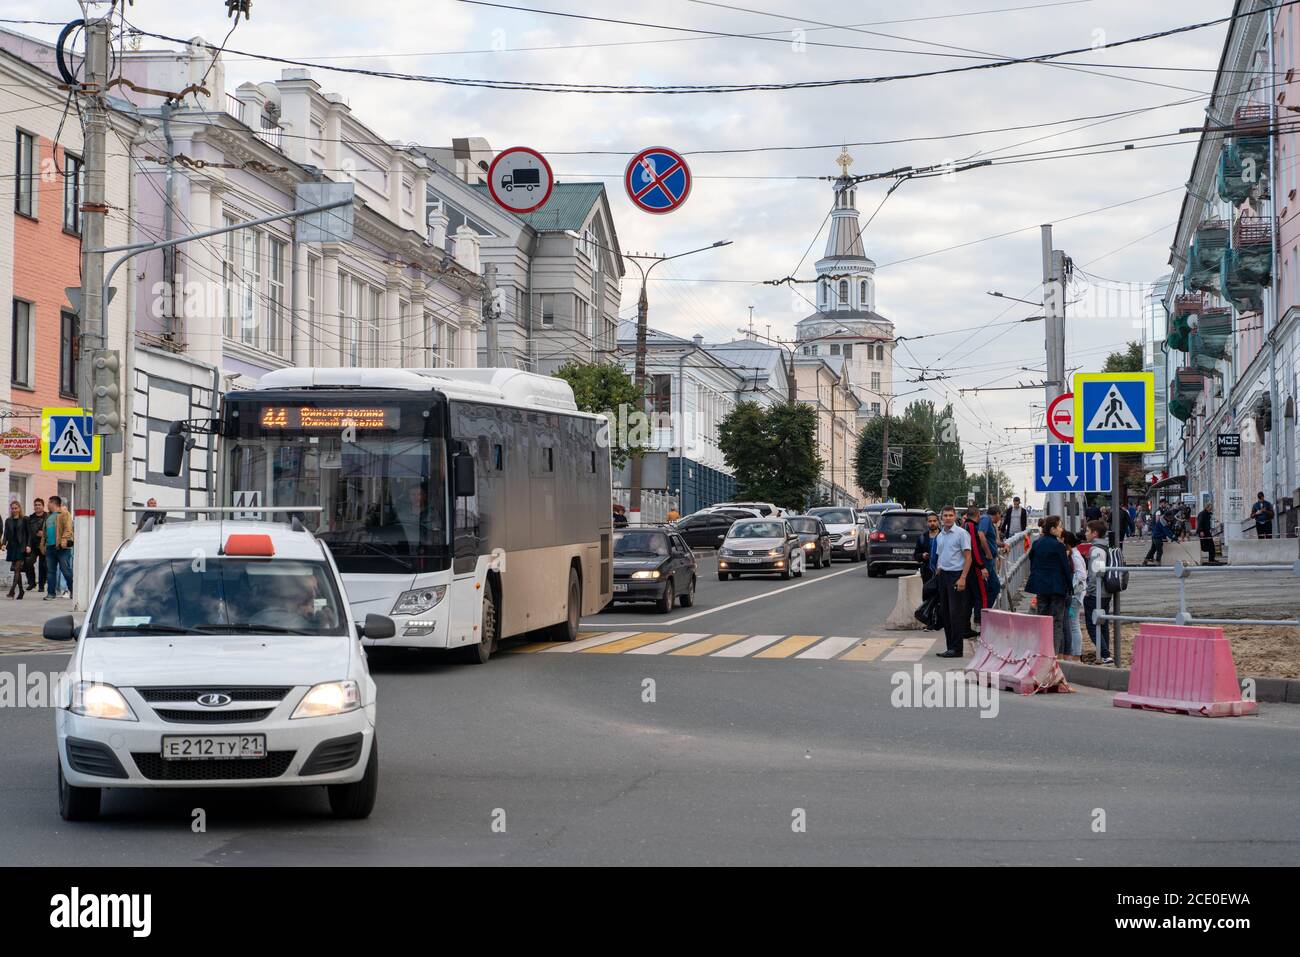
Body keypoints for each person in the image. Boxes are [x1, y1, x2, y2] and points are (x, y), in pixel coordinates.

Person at [1025, 515, 1073, 656]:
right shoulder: (1058, 546)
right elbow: (1065, 568)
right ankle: (1053, 653)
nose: (1061, 529)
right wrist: (1070, 587)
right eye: (1059, 526)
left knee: (1042, 618)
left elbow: (1031, 558)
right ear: (1052, 529)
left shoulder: (1037, 543)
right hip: (1057, 587)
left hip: (1040, 586)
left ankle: (1042, 651)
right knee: (1056, 622)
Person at [932, 505, 972, 659]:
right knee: (945, 613)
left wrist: (962, 578)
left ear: (955, 517)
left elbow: (968, 557)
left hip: (956, 575)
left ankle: (957, 649)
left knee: (956, 613)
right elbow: (940, 556)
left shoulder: (961, 534)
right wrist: (938, 569)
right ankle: (950, 647)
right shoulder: (940, 535)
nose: (947, 518)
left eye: (950, 515)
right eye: (945, 515)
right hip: (943, 576)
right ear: (941, 517)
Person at [1080, 519, 1113, 664]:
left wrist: (1089, 590)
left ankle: (1105, 654)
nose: (1085, 533)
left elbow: (1095, 573)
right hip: (1105, 592)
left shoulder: (1096, 550)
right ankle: (1105, 653)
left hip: (1097, 593)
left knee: (1093, 624)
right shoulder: (1105, 547)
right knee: (1102, 623)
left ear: (1094, 533)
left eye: (1087, 531)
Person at [962, 505, 991, 630]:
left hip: (965, 567)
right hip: (974, 567)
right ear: (978, 515)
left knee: (968, 598)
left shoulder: (963, 526)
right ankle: (981, 622)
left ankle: (966, 627)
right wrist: (982, 566)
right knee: (982, 595)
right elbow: (974, 548)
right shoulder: (972, 527)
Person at [1061, 530, 1087, 661]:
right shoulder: (1074, 554)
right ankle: (1075, 653)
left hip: (1076, 595)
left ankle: (1076, 654)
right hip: (1076, 594)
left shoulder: (1074, 556)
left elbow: (1082, 575)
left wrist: (1072, 588)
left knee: (1074, 624)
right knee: (1072, 624)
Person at [44, 495, 74, 601]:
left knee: (65, 570)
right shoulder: (48, 516)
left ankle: (73, 591)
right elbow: (45, 533)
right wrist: (43, 545)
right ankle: (51, 593)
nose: (47, 505)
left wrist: (64, 540)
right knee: (51, 571)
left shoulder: (64, 514)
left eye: (49, 502)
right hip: (50, 547)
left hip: (62, 547)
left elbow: (68, 528)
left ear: (54, 503)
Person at [3, 500, 31, 599]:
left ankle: (12, 591)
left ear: (19, 508)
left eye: (16, 508)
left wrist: (28, 545)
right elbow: (6, 533)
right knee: (16, 570)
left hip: (21, 547)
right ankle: (21, 591)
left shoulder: (24, 519)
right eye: (13, 508)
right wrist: (3, 544)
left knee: (17, 569)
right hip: (12, 547)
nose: (14, 510)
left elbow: (29, 534)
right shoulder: (8, 520)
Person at [23, 497, 47, 593]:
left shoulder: (48, 517)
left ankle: (41, 585)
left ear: (43, 506)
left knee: (43, 566)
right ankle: (32, 582)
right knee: (28, 562)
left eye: (39, 505)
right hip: (32, 544)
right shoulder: (30, 518)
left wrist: (44, 533)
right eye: (35, 505)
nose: (37, 506)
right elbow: (27, 532)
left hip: (44, 544)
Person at [913, 510, 941, 583]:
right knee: (927, 593)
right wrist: (922, 555)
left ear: (938, 522)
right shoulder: (922, 538)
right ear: (926, 523)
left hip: (942, 573)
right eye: (930, 521)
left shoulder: (943, 536)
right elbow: (916, 555)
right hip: (927, 573)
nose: (932, 523)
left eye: (934, 521)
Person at [1197, 500, 1220, 564]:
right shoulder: (1202, 514)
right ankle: (1210, 559)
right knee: (1204, 546)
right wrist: (1201, 531)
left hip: (1207, 531)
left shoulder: (1208, 514)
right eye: (1210, 507)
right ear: (1207, 507)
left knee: (1211, 546)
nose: (1211, 508)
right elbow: (1200, 523)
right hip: (1203, 532)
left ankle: (1211, 559)